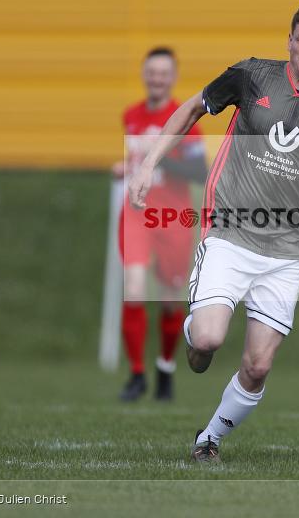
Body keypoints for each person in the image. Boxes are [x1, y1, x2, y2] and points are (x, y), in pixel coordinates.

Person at [128, 3, 299, 462]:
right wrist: (147, 164)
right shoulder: (253, 75)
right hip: (230, 233)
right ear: (289, 41)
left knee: (258, 365)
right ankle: (198, 341)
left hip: (289, 251)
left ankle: (209, 438)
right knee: (208, 341)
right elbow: (193, 108)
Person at [113, 47, 207, 402]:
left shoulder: (184, 118)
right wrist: (126, 168)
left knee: (170, 301)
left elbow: (200, 172)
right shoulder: (131, 116)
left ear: (173, 77)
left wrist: (157, 164)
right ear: (143, 74)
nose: (156, 78)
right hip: (136, 214)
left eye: (163, 73)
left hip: (172, 218)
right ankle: (136, 374)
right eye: (151, 72)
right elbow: (134, 161)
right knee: (134, 288)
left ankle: (165, 366)